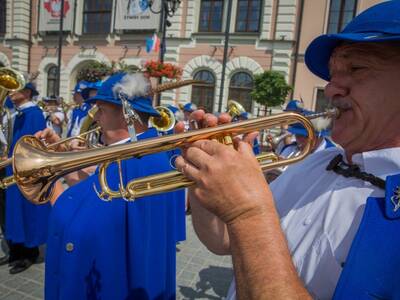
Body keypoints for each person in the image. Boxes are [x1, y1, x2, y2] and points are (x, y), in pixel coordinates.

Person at [175, 1, 400, 299]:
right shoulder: (316, 162)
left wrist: (248, 213)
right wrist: (201, 175)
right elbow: (224, 240)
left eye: (356, 68)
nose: (331, 89)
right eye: (332, 74)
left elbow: (246, 225)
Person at [40, 72, 185, 299]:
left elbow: (77, 226)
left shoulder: (134, 160)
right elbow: (94, 193)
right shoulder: (148, 153)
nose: (96, 117)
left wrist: (47, 182)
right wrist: (59, 158)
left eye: (102, 109)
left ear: (127, 115)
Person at [2, 82, 50, 274]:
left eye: (16, 89)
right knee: (12, 210)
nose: (11, 92)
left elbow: (33, 144)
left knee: (26, 210)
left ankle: (29, 253)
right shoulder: (14, 112)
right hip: (10, 168)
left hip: (24, 170)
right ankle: (15, 250)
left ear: (27, 92)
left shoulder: (34, 114)